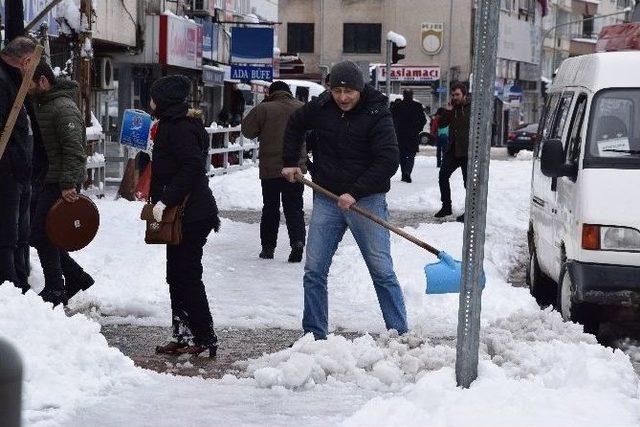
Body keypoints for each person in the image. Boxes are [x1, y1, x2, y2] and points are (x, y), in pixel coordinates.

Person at [282, 60, 408, 340]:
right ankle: (314, 335)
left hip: (367, 200)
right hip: (327, 198)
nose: (343, 97)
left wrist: (356, 192)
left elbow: (389, 160)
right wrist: (291, 161)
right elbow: (295, 123)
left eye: (349, 91)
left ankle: (399, 333)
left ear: (360, 89)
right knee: (314, 270)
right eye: (337, 91)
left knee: (381, 270)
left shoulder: (377, 113)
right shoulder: (322, 107)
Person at [149, 75, 221, 357]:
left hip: (191, 213)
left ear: (164, 100)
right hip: (184, 213)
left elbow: (191, 166)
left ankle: (203, 336)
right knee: (176, 275)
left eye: (154, 96)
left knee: (186, 275)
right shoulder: (172, 124)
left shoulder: (178, 128)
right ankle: (183, 334)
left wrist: (166, 199)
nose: (150, 102)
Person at [29, 61, 94, 306]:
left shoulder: (63, 108)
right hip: (48, 177)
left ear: (43, 81)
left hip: (60, 181)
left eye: (30, 84)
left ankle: (57, 288)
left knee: (42, 233)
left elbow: (75, 149)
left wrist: (68, 183)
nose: (27, 90)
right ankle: (75, 277)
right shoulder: (44, 103)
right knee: (44, 233)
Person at [241, 81, 307, 262]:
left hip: (271, 170)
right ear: (288, 92)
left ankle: (268, 248)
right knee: (294, 208)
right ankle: (298, 243)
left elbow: (247, 131)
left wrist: (262, 107)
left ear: (271, 93)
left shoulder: (264, 109)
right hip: (295, 169)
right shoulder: (301, 107)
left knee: (270, 208)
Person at [0, 36, 38, 293]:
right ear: (25, 61)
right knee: (7, 233)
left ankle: (20, 280)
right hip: (7, 170)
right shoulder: (3, 83)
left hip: (20, 170)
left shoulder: (14, 81)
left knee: (20, 232)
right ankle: (9, 283)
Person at [435, 82, 471, 222]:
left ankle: (468, 211)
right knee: (443, 176)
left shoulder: (471, 108)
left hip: (467, 151)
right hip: (453, 150)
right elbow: (441, 125)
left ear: (464, 95)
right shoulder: (452, 109)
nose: (455, 97)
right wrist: (448, 110)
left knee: (467, 182)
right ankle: (446, 206)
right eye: (453, 95)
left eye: (457, 95)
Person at [391, 89, 426, 183]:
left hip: (400, 134)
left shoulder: (398, 106)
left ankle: (404, 174)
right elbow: (423, 120)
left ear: (403, 95)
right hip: (413, 134)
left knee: (402, 155)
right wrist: (418, 129)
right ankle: (408, 172)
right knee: (411, 155)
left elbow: (392, 118)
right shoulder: (417, 106)